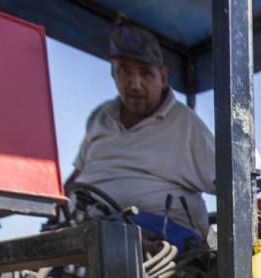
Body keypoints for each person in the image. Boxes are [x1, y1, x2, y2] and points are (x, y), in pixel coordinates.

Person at [68, 22, 217, 246]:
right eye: (124, 71)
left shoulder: (186, 125)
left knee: (118, 243)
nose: (134, 84)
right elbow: (76, 177)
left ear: (163, 76)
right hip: (88, 229)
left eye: (145, 73)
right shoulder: (99, 117)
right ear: (113, 72)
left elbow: (230, 183)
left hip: (161, 237)